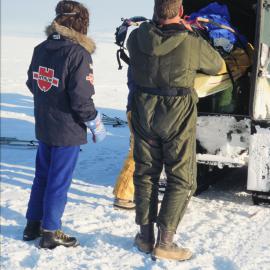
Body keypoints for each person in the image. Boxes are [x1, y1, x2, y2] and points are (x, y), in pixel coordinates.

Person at [127, 0, 226, 261]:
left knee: (145, 173)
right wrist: (189, 31)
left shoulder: (137, 37)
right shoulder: (190, 41)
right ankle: (165, 242)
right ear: (180, 12)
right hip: (176, 115)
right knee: (182, 178)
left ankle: (145, 237)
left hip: (143, 111)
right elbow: (216, 65)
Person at [23, 0, 106, 249]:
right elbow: (81, 98)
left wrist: (49, 99)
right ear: (81, 24)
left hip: (45, 124)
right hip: (67, 129)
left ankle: (32, 225)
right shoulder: (78, 53)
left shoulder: (41, 48)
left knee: (42, 176)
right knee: (58, 181)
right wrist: (94, 122)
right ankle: (50, 232)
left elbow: (32, 83)